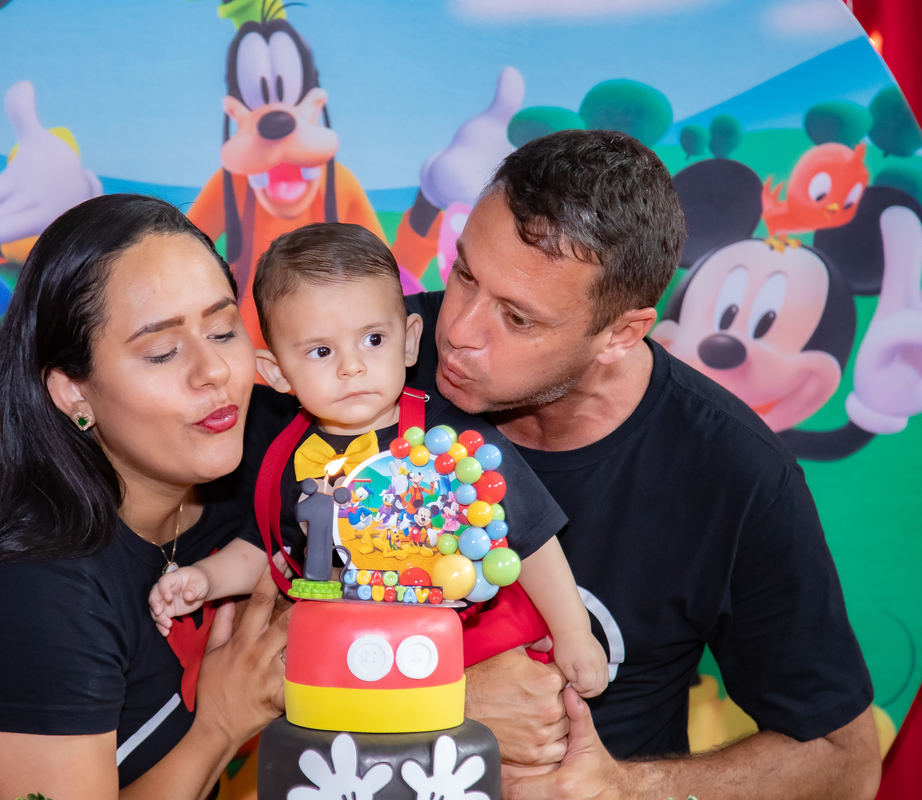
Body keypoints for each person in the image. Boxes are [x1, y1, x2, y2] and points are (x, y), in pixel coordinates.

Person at [403, 130, 882, 799]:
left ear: (621, 334)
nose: (458, 329)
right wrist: (429, 696)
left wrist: (624, 788)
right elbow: (236, 638)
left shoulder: (733, 472)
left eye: (516, 318)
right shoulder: (360, 366)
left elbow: (844, 759)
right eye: (464, 274)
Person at [0, 194, 291, 800]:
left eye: (223, 329)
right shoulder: (27, 590)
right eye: (162, 351)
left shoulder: (266, 442)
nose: (214, 370)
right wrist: (218, 726)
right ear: (72, 392)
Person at [148, 222, 610, 698]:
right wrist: (205, 579)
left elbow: (531, 537)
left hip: (463, 638)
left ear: (409, 341)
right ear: (279, 373)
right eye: (322, 351)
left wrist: (573, 631)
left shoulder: (451, 442)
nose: (352, 367)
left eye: (372, 340)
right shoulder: (288, 458)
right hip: (351, 653)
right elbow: (263, 551)